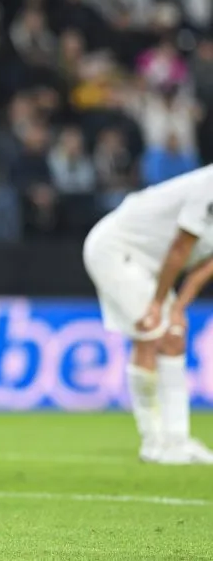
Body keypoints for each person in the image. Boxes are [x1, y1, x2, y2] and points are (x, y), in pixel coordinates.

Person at [83, 165, 213, 464]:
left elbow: (206, 266)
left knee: (175, 336)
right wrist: (157, 302)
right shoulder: (209, 186)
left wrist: (179, 307)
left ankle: (177, 440)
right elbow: (180, 248)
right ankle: (154, 442)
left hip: (147, 263)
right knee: (153, 333)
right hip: (116, 248)